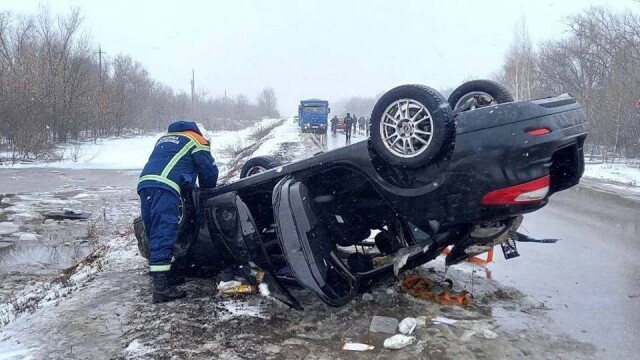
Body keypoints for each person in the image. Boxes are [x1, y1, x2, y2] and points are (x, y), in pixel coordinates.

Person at [138, 120, 219, 303]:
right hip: (165, 187)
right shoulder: (197, 140)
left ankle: (164, 276)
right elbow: (208, 171)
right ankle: (161, 289)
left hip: (145, 184)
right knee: (164, 231)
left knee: (153, 230)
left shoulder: (165, 138)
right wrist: (208, 190)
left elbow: (172, 163)